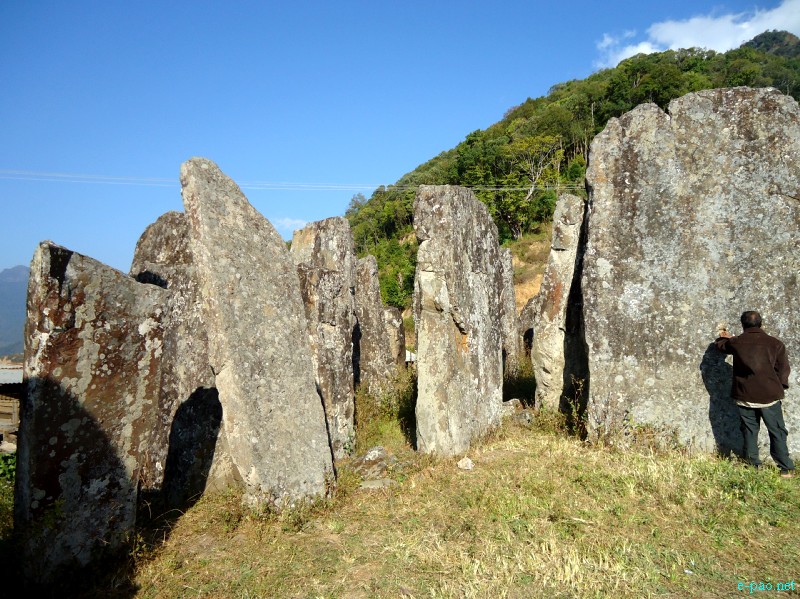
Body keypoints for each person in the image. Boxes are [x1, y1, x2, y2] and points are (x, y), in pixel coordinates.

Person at [716, 311, 794, 478]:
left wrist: (724, 337)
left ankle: (753, 465)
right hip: (770, 396)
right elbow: (783, 370)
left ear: (743, 325)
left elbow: (722, 346)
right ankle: (785, 468)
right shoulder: (775, 343)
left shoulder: (737, 342)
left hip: (745, 396)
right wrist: (778, 387)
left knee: (750, 431)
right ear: (761, 323)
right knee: (777, 431)